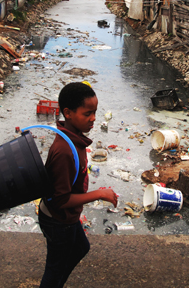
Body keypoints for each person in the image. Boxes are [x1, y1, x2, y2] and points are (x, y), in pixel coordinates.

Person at [38, 82, 118, 288]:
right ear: (68, 113)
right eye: (87, 113)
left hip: (67, 217)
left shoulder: (73, 138)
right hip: (58, 220)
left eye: (95, 112)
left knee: (80, 248)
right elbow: (61, 199)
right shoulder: (64, 150)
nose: (93, 118)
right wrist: (100, 194)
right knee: (54, 269)